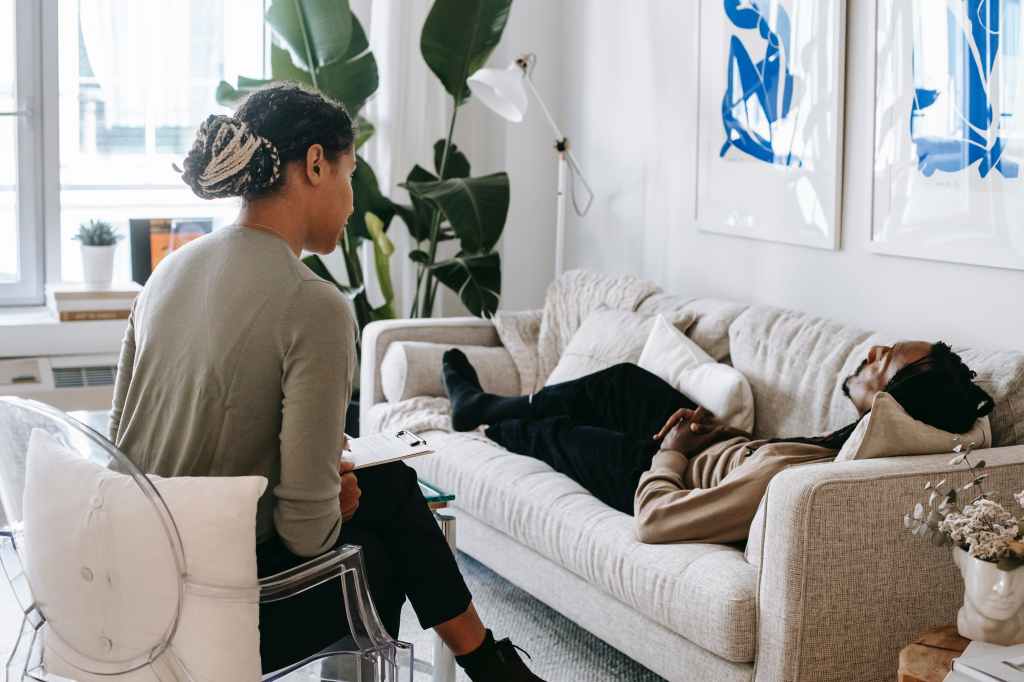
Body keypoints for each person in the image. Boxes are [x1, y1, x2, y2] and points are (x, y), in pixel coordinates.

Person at [109, 82, 543, 681]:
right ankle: (491, 667)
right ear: (316, 164)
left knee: (387, 484)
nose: (351, 199)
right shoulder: (314, 304)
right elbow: (308, 537)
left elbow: (120, 449)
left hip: (130, 583)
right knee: (380, 551)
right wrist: (328, 501)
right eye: (350, 174)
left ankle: (491, 667)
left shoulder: (167, 272)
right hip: (213, 609)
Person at [441, 341, 995, 544]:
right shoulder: (841, 444)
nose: (871, 353)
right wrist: (722, 434)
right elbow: (767, 452)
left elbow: (654, 522)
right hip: (701, 448)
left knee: (552, 434)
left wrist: (674, 451)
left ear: (889, 404)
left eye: (884, 360)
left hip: (658, 472)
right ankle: (481, 405)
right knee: (623, 383)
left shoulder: (793, 484)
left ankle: (488, 419)